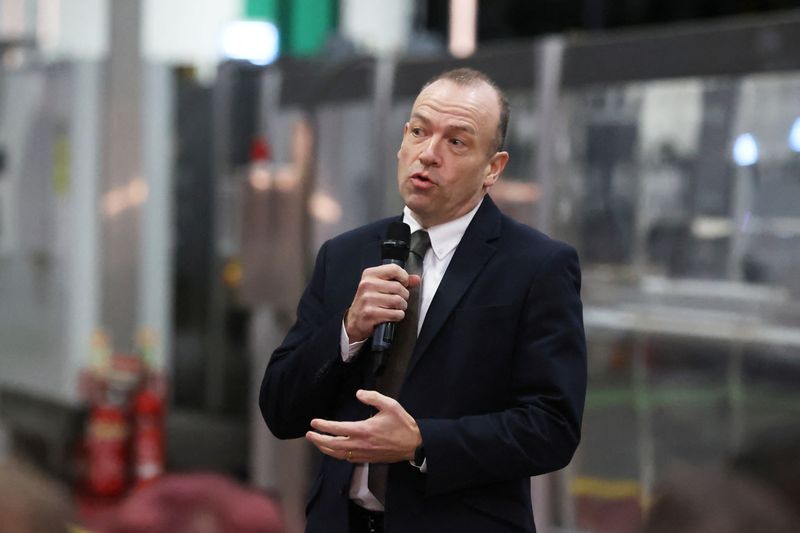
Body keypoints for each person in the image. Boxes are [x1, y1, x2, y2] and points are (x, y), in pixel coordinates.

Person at [260, 68, 586, 533]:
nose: (428, 154)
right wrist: (348, 330)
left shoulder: (538, 266)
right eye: (419, 131)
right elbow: (279, 409)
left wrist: (421, 442)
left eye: (456, 142)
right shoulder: (345, 254)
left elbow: (552, 428)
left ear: (494, 167)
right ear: (402, 141)